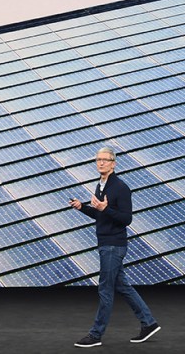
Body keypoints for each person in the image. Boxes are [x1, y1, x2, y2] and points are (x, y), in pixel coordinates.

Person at [68, 146, 161, 348]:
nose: (101, 162)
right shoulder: (101, 186)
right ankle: (149, 323)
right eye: (98, 159)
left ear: (114, 164)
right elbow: (101, 215)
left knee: (105, 289)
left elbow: (127, 219)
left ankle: (96, 335)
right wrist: (82, 207)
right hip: (105, 243)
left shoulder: (120, 187)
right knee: (122, 286)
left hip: (113, 245)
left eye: (106, 159)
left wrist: (106, 208)